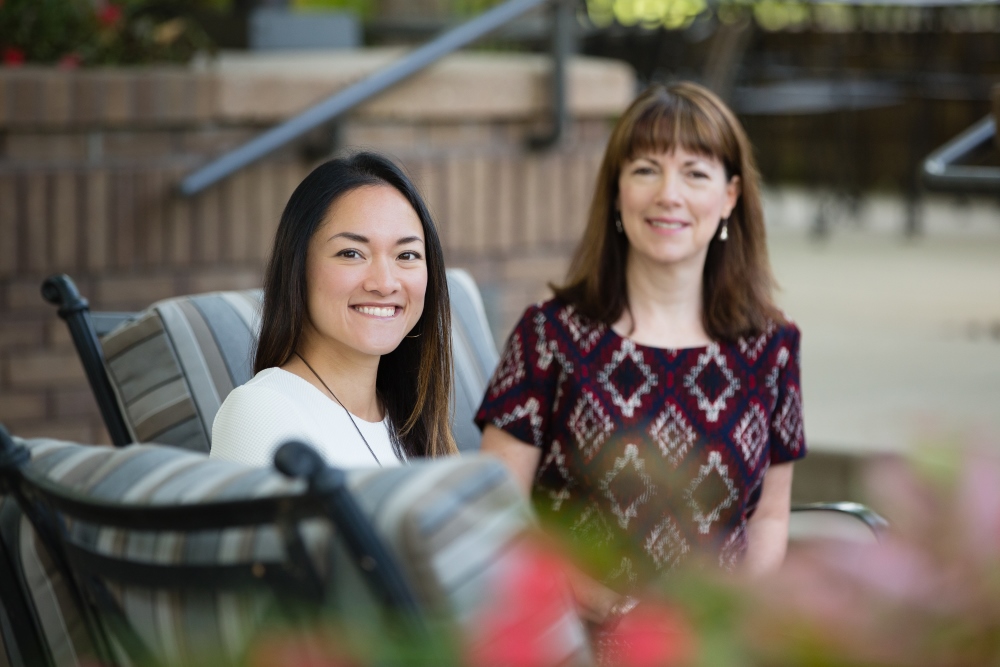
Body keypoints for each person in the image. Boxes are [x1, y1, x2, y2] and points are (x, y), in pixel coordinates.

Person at [475, 82, 806, 620]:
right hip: (573, 635)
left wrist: (732, 617)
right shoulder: (550, 336)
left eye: (695, 173)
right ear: (616, 191)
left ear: (730, 196)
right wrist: (583, 594)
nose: (668, 194)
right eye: (646, 169)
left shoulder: (771, 350)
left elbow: (769, 518)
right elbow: (497, 502)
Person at [212, 152, 457, 468]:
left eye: (407, 255)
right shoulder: (263, 411)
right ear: (298, 268)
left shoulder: (411, 422)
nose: (384, 283)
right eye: (352, 253)